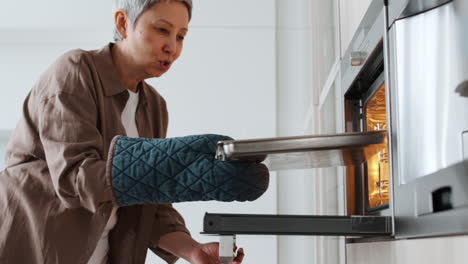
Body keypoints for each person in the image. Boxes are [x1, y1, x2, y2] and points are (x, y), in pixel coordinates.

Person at [0, 0, 270, 263]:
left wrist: (193, 251)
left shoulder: (154, 106)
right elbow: (76, 179)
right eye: (162, 30)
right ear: (122, 22)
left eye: (181, 36)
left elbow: (151, 202)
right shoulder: (75, 71)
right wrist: (179, 164)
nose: (172, 47)